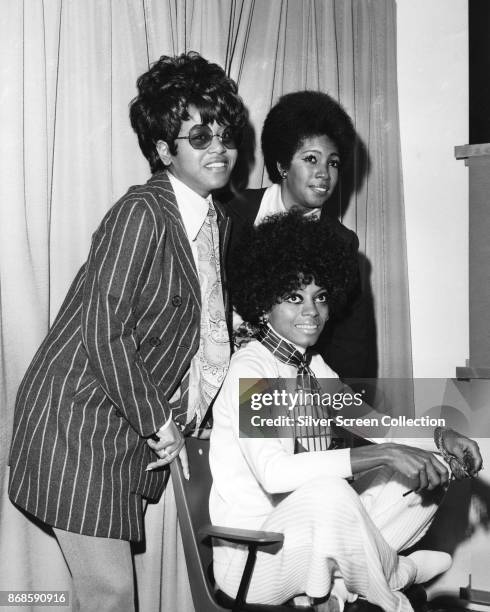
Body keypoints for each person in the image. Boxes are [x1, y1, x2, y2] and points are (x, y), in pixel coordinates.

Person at [8, 51, 246, 611]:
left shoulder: (215, 222)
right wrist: (159, 422)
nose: (219, 147)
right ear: (164, 150)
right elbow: (103, 328)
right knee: (110, 593)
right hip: (76, 423)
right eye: (200, 135)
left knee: (102, 594)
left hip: (119, 432)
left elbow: (195, 327)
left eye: (226, 134)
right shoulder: (142, 212)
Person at [209, 212, 482, 612]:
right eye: (294, 297)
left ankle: (342, 588)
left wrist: (443, 437)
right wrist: (385, 454)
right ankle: (393, 580)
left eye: (320, 297)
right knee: (331, 488)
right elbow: (276, 474)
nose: (312, 311)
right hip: (256, 561)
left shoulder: (312, 367)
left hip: (309, 547)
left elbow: (377, 426)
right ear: (263, 304)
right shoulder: (251, 370)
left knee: (432, 465)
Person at [224, 90, 369, 379]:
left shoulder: (342, 243)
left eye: (333, 162)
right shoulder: (230, 214)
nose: (324, 174)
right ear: (282, 165)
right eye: (311, 159)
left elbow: (350, 350)